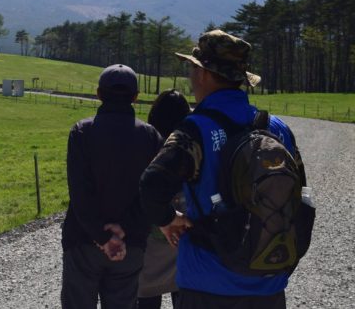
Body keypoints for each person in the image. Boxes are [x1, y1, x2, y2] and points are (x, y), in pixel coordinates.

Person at [140, 30, 306, 309]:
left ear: (203, 73)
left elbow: (152, 184)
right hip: (269, 284)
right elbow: (298, 196)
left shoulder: (194, 129)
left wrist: (169, 220)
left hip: (207, 282)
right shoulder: (277, 129)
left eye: (192, 68)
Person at [61, 64, 164, 309]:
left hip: (83, 241)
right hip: (131, 243)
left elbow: (79, 192)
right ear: (136, 97)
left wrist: (102, 235)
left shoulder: (82, 132)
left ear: (98, 94)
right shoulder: (151, 136)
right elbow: (152, 193)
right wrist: (123, 231)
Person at [137, 90, 191, 309]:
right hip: (183, 242)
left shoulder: (145, 143)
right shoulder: (189, 147)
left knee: (147, 299)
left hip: (149, 246)